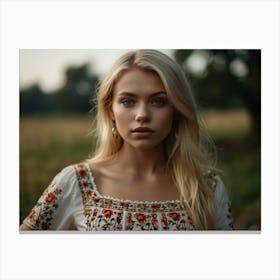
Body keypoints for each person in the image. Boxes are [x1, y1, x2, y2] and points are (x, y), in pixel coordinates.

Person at [20, 49, 234, 231]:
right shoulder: (75, 182)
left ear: (176, 110)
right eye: (128, 101)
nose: (142, 114)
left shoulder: (206, 188)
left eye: (158, 101)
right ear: (110, 109)